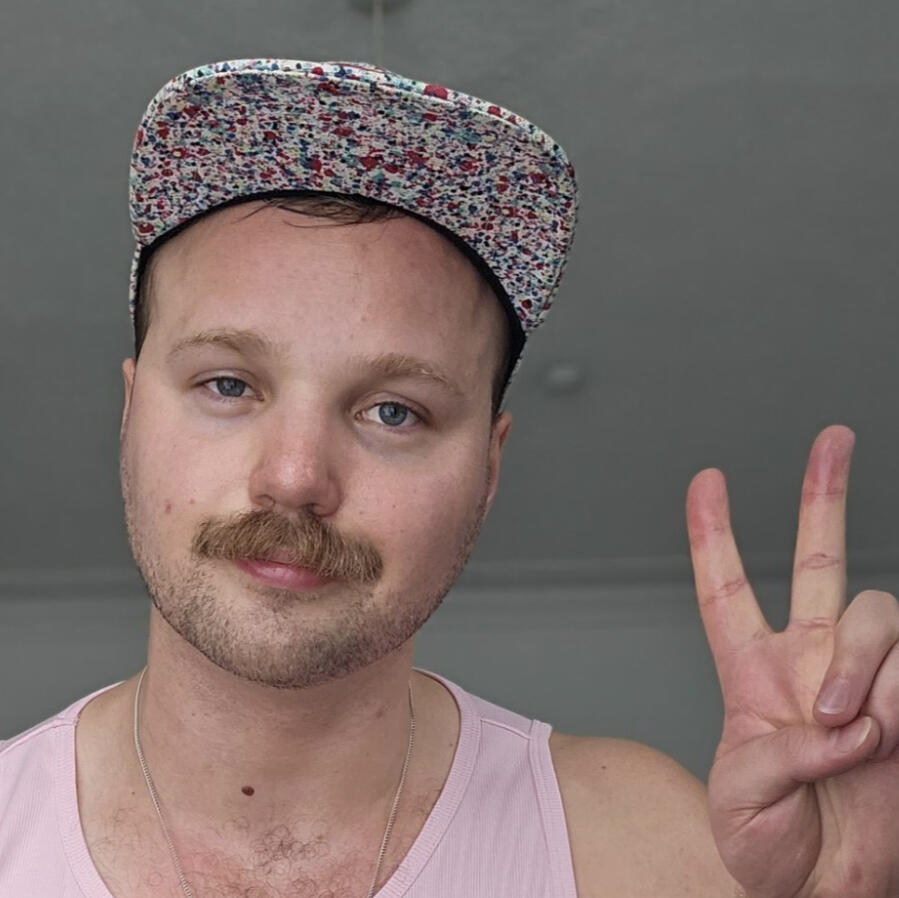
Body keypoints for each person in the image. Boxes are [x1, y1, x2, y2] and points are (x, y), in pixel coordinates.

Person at [1, 58, 897, 898]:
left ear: (488, 467)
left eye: (393, 410)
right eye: (227, 385)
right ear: (131, 414)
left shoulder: (648, 848)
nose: (295, 476)